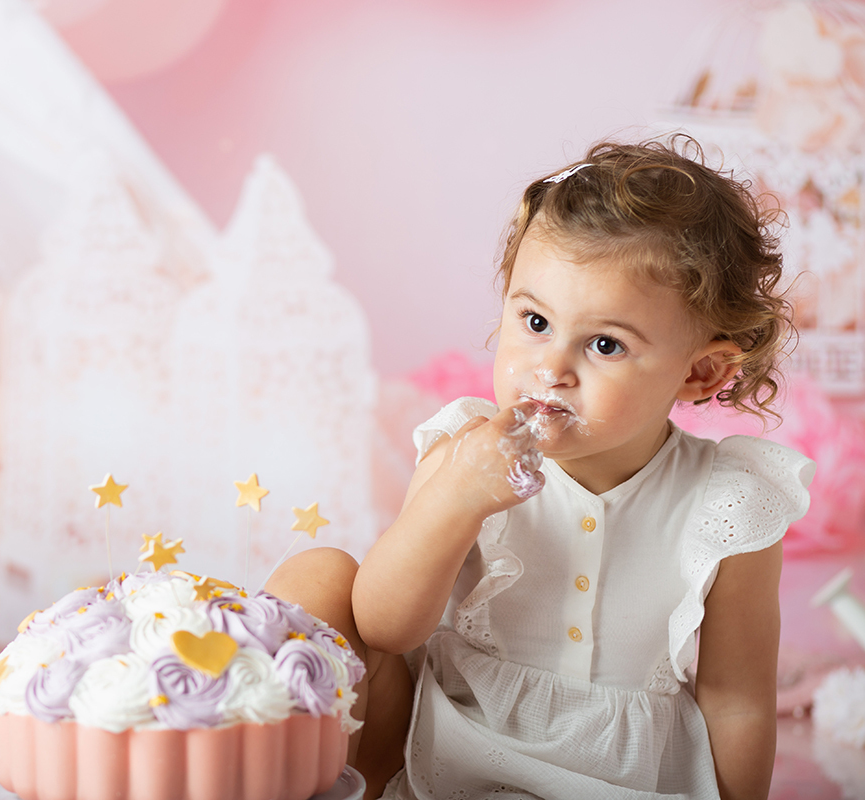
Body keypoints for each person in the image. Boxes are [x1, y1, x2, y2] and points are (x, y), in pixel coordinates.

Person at [265, 137, 815, 800]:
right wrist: (456, 499)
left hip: (616, 772)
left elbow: (737, 699)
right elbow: (383, 628)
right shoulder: (464, 449)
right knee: (318, 576)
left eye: (605, 344)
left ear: (699, 372)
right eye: (534, 321)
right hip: (441, 745)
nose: (550, 369)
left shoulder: (726, 501)